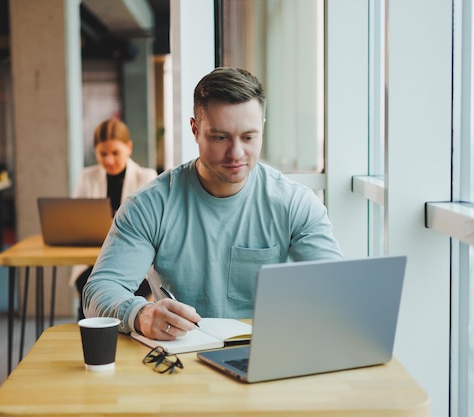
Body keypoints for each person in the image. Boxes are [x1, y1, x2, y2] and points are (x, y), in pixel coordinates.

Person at [83, 67, 343, 339]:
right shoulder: (149, 205)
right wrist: (141, 314)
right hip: (180, 357)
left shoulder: (295, 204)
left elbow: (336, 289)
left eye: (249, 137)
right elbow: (100, 290)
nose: (236, 153)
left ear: (262, 128)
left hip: (265, 354)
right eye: (220, 137)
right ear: (195, 130)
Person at [71, 117, 157, 319]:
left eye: (115, 153)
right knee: (89, 288)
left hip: (135, 263)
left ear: (129, 148)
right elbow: (75, 218)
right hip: (92, 261)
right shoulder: (87, 177)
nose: (109, 160)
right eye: (103, 154)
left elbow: (152, 226)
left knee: (125, 293)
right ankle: (89, 339)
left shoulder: (146, 177)